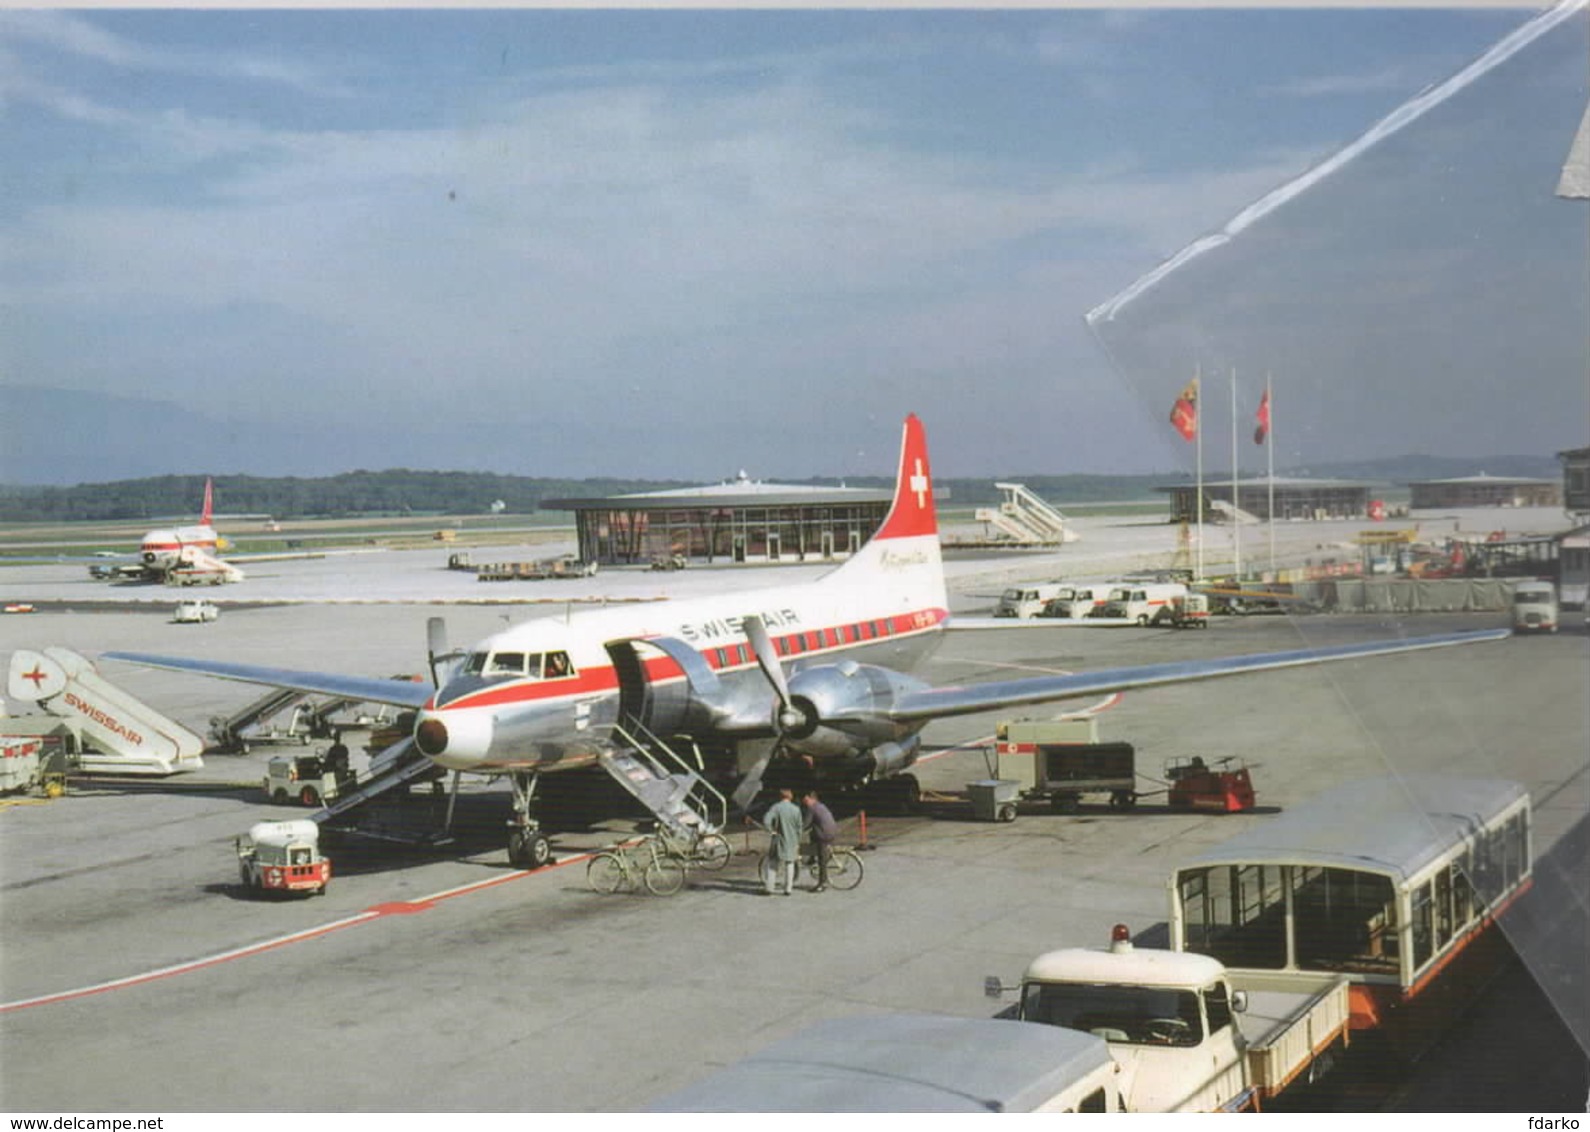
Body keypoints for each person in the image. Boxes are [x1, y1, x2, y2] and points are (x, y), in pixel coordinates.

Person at [761, 788, 802, 896]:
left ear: (780, 797)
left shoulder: (776, 807)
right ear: (790, 797)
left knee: (773, 864)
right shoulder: (796, 809)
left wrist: (771, 830)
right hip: (792, 840)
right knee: (790, 863)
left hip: (778, 840)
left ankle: (769, 888)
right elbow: (799, 828)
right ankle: (788, 889)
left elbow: (766, 820)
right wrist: (797, 840)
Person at [802, 790, 838, 893]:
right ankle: (812, 857)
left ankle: (822, 883)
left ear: (811, 798)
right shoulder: (820, 805)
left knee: (822, 859)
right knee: (812, 834)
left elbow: (806, 824)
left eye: (806, 799)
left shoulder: (812, 808)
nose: (804, 801)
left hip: (824, 834)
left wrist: (797, 831)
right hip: (831, 831)